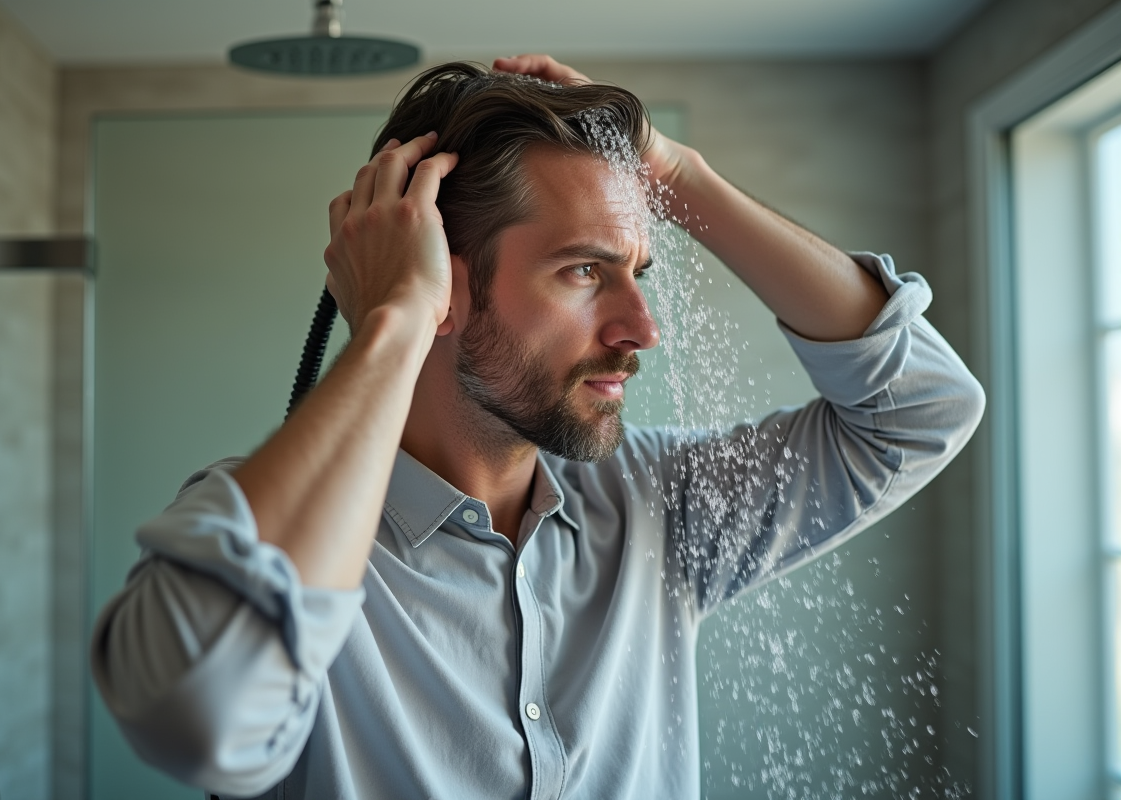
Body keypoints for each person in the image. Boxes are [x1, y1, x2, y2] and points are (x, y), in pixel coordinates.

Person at [90, 56, 984, 800]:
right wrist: (392, 323)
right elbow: (201, 721)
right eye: (585, 272)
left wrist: (678, 174)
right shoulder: (273, 537)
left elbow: (923, 410)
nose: (643, 327)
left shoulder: (656, 508)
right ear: (443, 276)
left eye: (636, 268)